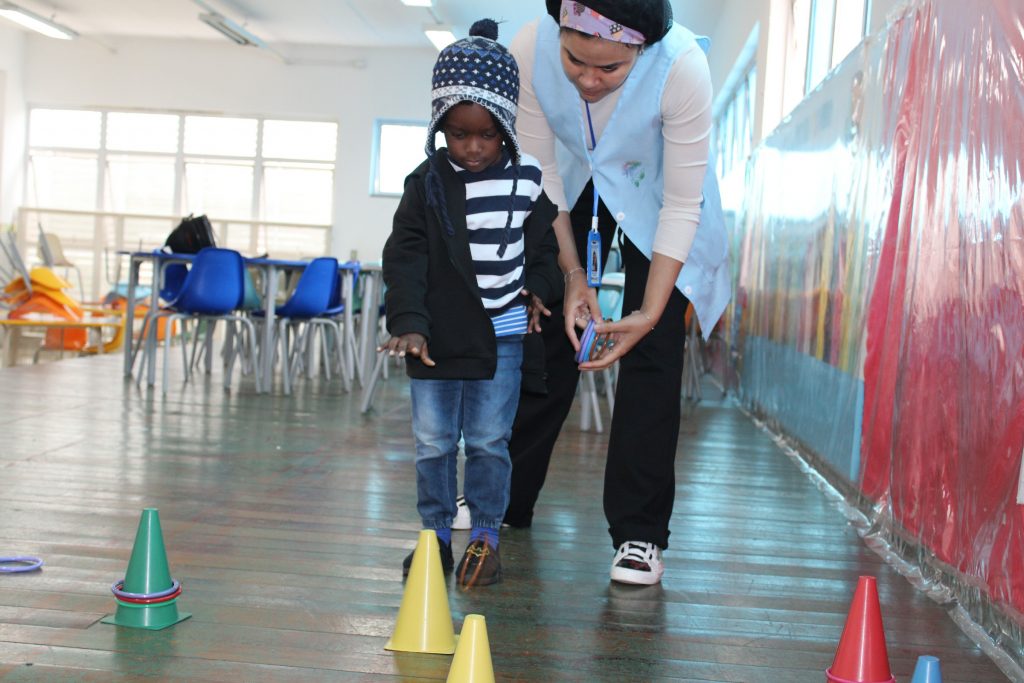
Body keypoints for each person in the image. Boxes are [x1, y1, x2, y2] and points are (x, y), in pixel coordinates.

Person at [503, 0, 731, 585]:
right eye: (575, 60)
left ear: (641, 48)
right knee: (549, 330)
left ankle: (639, 533)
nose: (587, 79)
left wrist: (651, 312)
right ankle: (502, 497)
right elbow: (540, 173)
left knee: (653, 353)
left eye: (609, 68)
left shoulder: (681, 66)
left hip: (657, 199)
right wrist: (573, 275)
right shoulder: (530, 46)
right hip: (572, 189)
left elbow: (682, 202)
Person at [381, 19, 560, 588]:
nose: (474, 147)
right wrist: (409, 321)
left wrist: (540, 288)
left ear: (506, 125)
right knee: (433, 443)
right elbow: (404, 256)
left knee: (488, 441)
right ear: (440, 126)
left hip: (502, 335)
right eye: (459, 134)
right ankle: (434, 535)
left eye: (486, 134)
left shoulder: (527, 180)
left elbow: (545, 248)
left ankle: (485, 536)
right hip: (435, 337)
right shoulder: (425, 184)